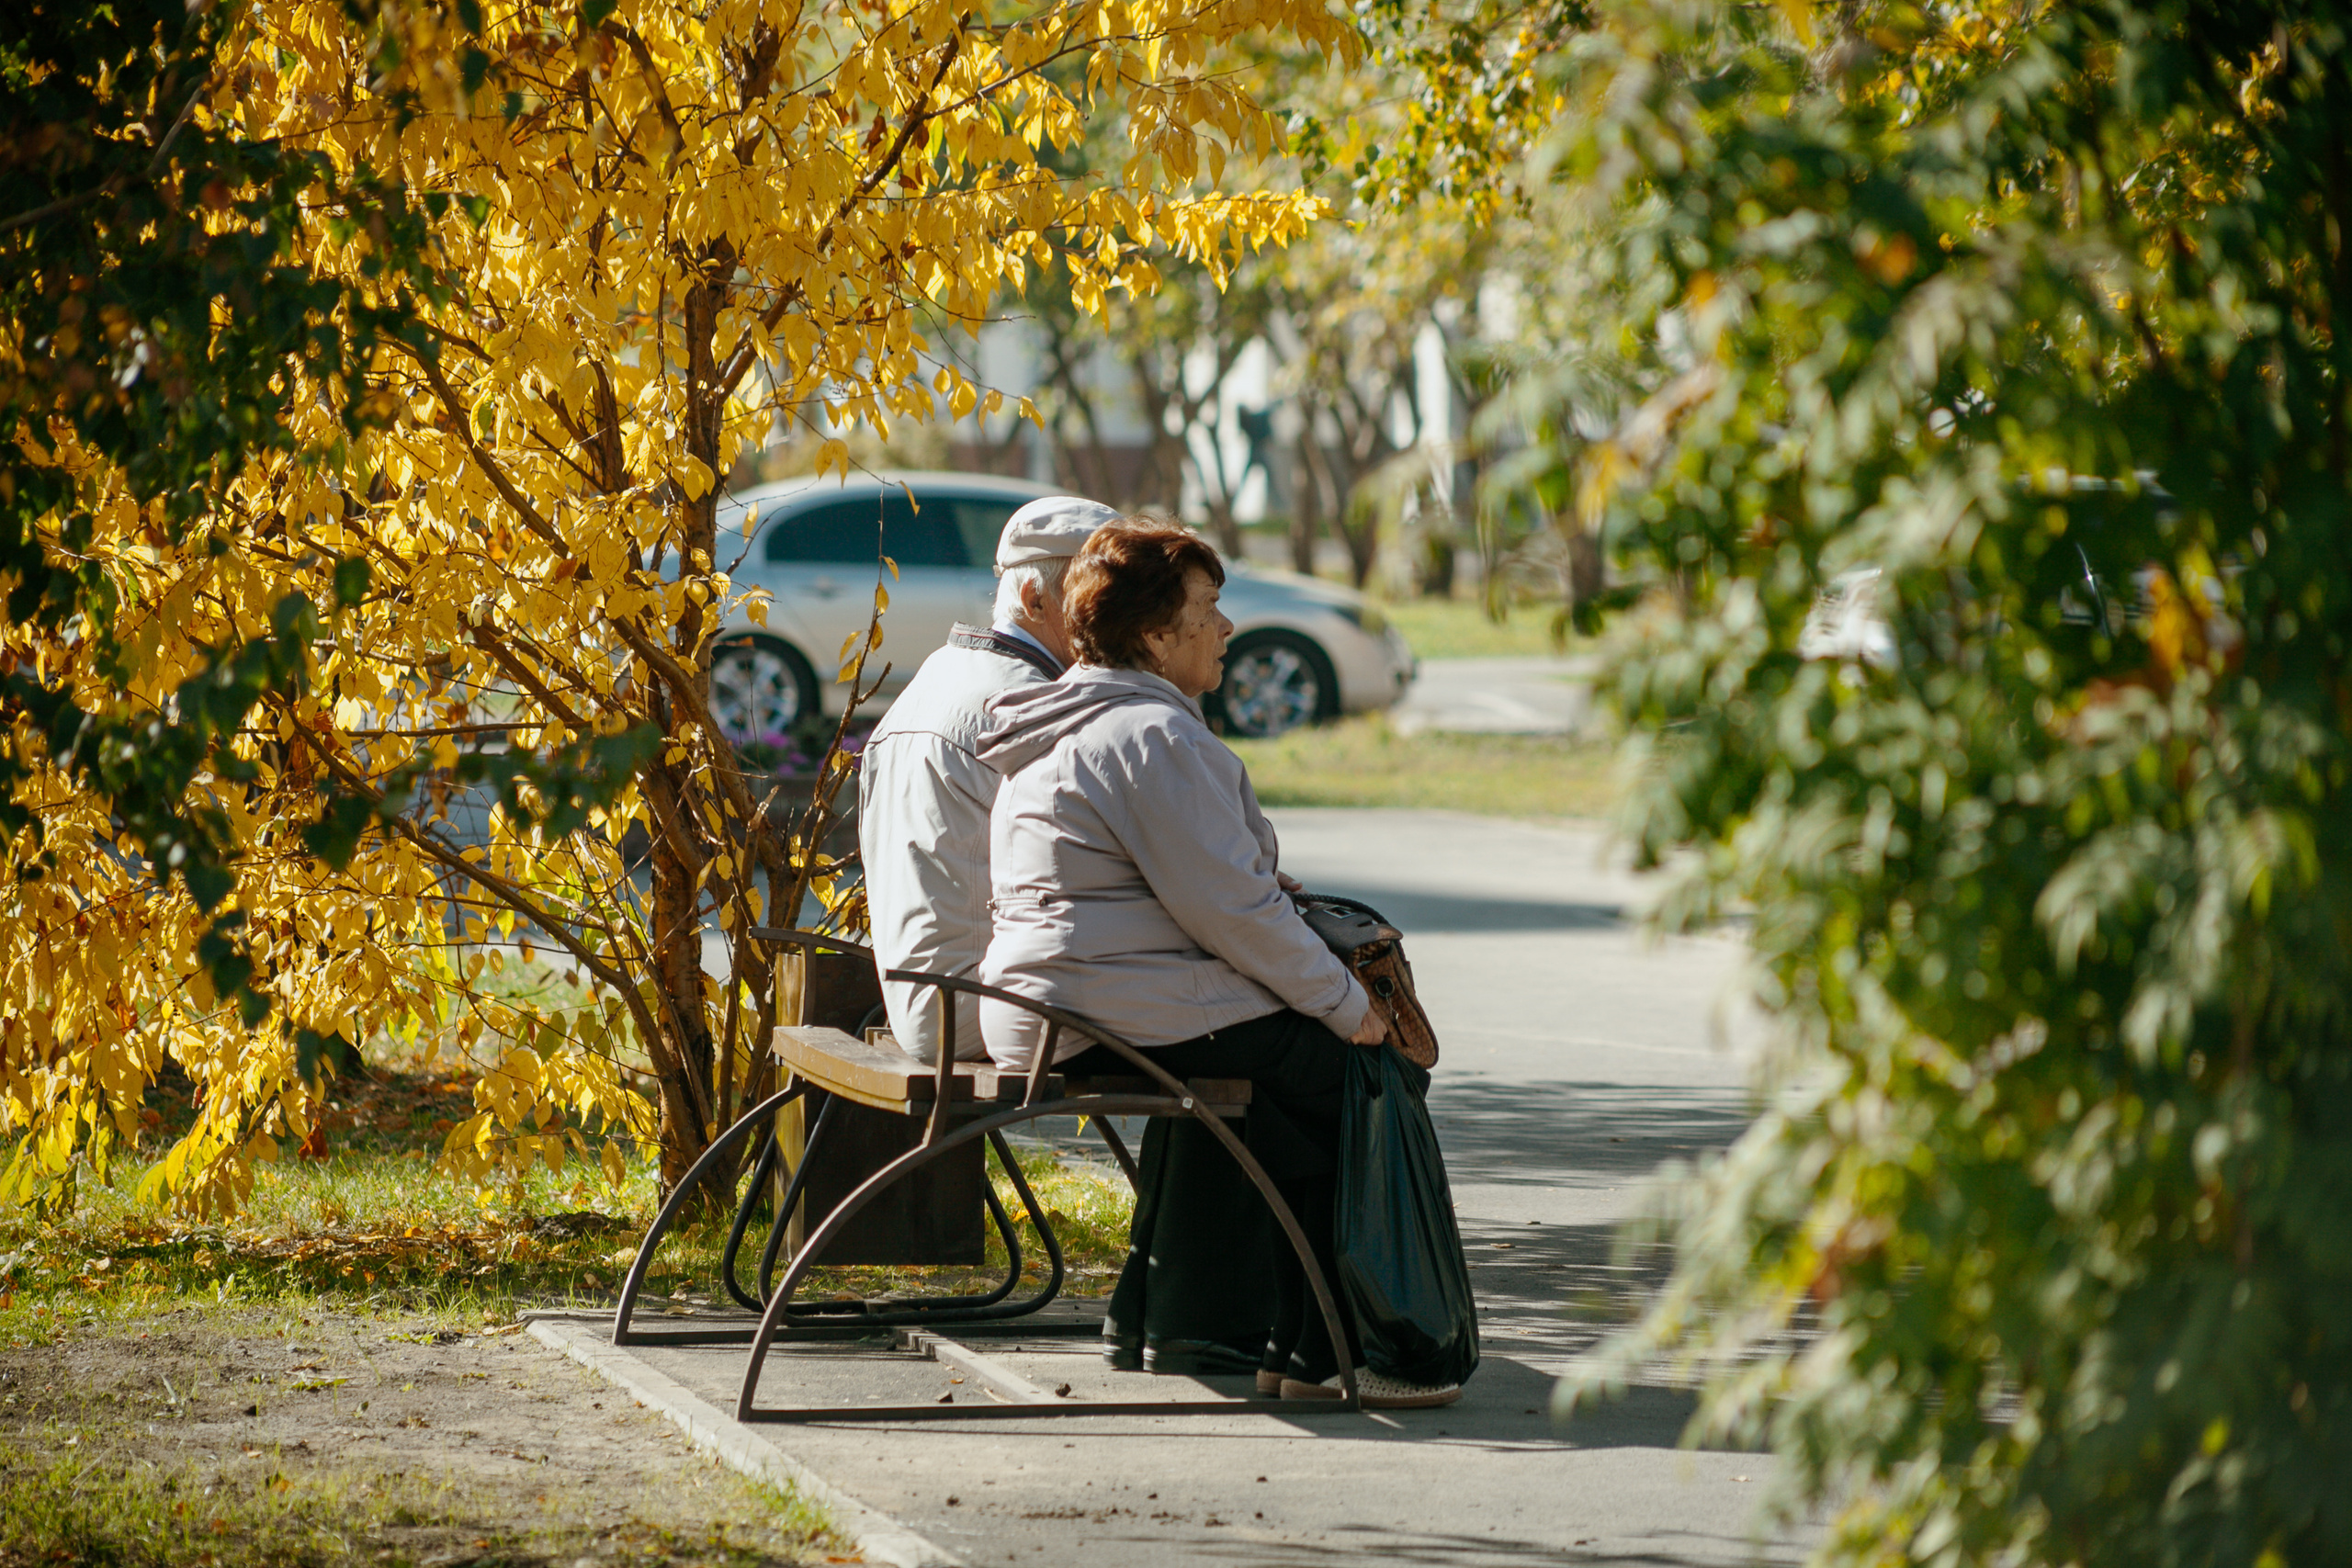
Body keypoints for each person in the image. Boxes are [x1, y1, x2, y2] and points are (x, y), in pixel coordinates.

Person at [974, 522, 1461, 1409]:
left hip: (1060, 1003)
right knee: (1357, 1074)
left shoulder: (1081, 716)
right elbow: (1234, 912)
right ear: (1158, 635)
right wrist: (1348, 1003)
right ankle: (1339, 1350)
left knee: (1279, 1102)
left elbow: (1184, 886)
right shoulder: (1150, 734)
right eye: (1207, 609)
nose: (1227, 627)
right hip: (1100, 1004)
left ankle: (1255, 1339)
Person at [855, 494, 1114, 1063]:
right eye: (1104, 596)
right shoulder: (1034, 703)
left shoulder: (941, 671)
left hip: (928, 1003)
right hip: (981, 1006)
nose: (1126, 617)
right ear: (1034, 597)